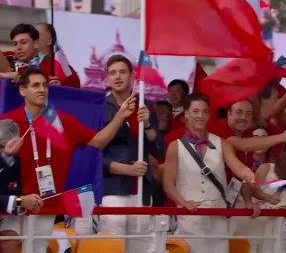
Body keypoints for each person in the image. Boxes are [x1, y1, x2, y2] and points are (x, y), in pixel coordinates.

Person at [0, 67, 136, 253]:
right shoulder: (9, 121)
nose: (41, 90)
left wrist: (120, 116)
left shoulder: (59, 120)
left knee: (36, 250)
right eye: (35, 85)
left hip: (45, 203)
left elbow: (98, 141)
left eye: (45, 85)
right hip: (16, 201)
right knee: (8, 243)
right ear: (23, 90)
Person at [163, 93, 256, 253]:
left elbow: (236, 165)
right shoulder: (175, 147)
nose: (201, 116)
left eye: (205, 111)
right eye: (196, 111)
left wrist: (246, 172)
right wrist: (183, 202)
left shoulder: (221, 142)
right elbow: (167, 183)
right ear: (186, 114)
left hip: (218, 216)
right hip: (191, 218)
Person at [99, 55, 166, 253]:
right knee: (113, 246)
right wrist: (126, 169)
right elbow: (94, 154)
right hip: (112, 190)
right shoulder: (100, 107)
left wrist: (147, 125)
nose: (117, 77)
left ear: (132, 76)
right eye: (112, 73)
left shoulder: (145, 105)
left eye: (122, 72)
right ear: (107, 78)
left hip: (142, 190)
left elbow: (159, 150)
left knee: (142, 247)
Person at [0, 120, 43, 253]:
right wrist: (22, 201)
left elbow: (13, 192)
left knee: (11, 237)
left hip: (5, 213)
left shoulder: (15, 159)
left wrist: (26, 204)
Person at [35, 22, 80, 88]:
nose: (32, 38)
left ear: (50, 41)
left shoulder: (61, 67)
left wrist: (60, 89)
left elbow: (75, 93)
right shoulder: (21, 63)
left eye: (36, 35)